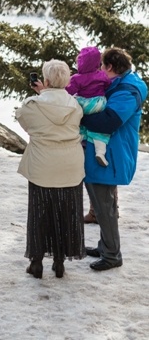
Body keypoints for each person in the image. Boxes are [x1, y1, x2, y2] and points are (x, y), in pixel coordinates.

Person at [16, 60, 86, 279]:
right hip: (70, 165)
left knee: (40, 213)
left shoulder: (32, 104)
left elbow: (24, 122)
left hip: (42, 164)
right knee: (66, 211)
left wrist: (41, 94)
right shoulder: (76, 106)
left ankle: (36, 262)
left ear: (45, 80)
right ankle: (59, 261)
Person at [81, 47, 147, 272]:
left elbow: (108, 122)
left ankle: (111, 255)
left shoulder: (127, 91)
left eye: (101, 66)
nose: (99, 70)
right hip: (108, 153)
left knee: (105, 206)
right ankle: (105, 246)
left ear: (109, 67)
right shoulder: (123, 84)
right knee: (103, 205)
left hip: (112, 155)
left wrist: (77, 113)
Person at [66, 46, 111, 166]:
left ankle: (81, 142)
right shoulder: (101, 75)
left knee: (80, 122)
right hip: (99, 103)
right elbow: (108, 84)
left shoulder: (76, 78)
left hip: (83, 104)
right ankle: (100, 152)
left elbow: (68, 91)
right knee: (100, 132)